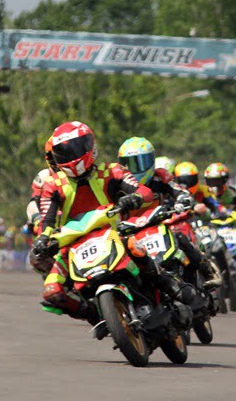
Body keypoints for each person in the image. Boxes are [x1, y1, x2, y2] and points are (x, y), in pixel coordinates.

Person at [32, 122, 191, 329]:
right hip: (71, 245)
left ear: (90, 146)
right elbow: (47, 219)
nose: (72, 156)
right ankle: (95, 315)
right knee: (52, 291)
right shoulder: (52, 185)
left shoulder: (112, 171)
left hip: (113, 232)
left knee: (136, 248)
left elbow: (143, 190)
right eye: (64, 152)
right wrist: (43, 238)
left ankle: (169, 285)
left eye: (77, 148)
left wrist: (135, 198)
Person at [118, 137, 222, 289]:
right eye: (130, 164)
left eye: (140, 162)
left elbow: (179, 190)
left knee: (180, 237)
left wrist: (182, 199)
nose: (135, 169)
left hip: (158, 226)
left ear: (151, 161)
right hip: (130, 233)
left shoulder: (160, 177)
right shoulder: (118, 184)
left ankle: (208, 271)